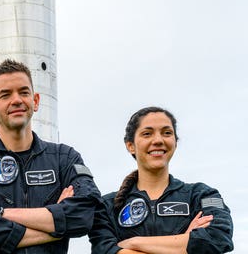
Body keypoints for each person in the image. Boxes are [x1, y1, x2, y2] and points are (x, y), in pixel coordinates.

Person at [0, 59, 101, 253]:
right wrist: (57, 225)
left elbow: (84, 215)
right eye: (5, 95)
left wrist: (2, 214)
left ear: (36, 101)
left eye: (24, 92)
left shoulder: (64, 158)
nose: (16, 100)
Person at [89, 106, 234, 253]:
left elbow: (218, 238)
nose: (158, 140)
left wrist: (134, 243)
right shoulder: (106, 206)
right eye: (147, 134)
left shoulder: (202, 195)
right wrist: (184, 242)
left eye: (167, 133)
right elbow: (104, 250)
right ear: (130, 146)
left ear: (175, 143)